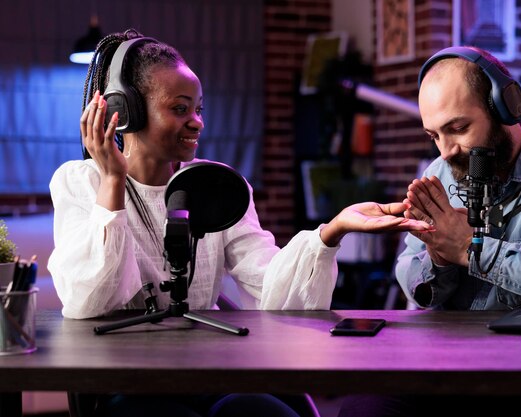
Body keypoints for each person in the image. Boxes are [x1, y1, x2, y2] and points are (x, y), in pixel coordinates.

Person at [47, 29, 434, 417]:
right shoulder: (80, 182)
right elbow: (89, 301)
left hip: (212, 372)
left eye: (199, 109)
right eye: (180, 109)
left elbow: (275, 293)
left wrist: (331, 232)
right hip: (130, 382)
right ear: (125, 110)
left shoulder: (217, 185)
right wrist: (113, 181)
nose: (197, 122)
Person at [338, 46, 521, 417]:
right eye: (434, 135)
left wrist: (471, 251)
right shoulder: (441, 171)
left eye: (457, 128)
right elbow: (407, 267)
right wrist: (438, 262)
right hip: (443, 363)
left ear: (505, 107)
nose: (446, 151)